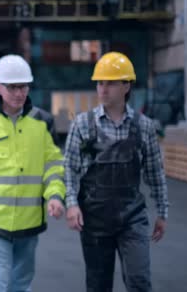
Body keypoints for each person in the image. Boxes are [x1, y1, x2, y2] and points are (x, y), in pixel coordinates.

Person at [64, 52, 169, 292]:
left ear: (126, 85)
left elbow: (155, 171)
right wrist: (72, 204)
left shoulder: (144, 126)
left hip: (132, 217)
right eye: (100, 83)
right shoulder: (82, 124)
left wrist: (162, 211)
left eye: (110, 82)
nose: (103, 88)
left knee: (139, 281)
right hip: (95, 218)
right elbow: (69, 168)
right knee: (98, 284)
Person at [0, 54, 66, 292]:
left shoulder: (43, 122)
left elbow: (53, 164)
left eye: (23, 86)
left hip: (29, 223)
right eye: (12, 87)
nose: (19, 93)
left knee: (21, 285)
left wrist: (55, 195)